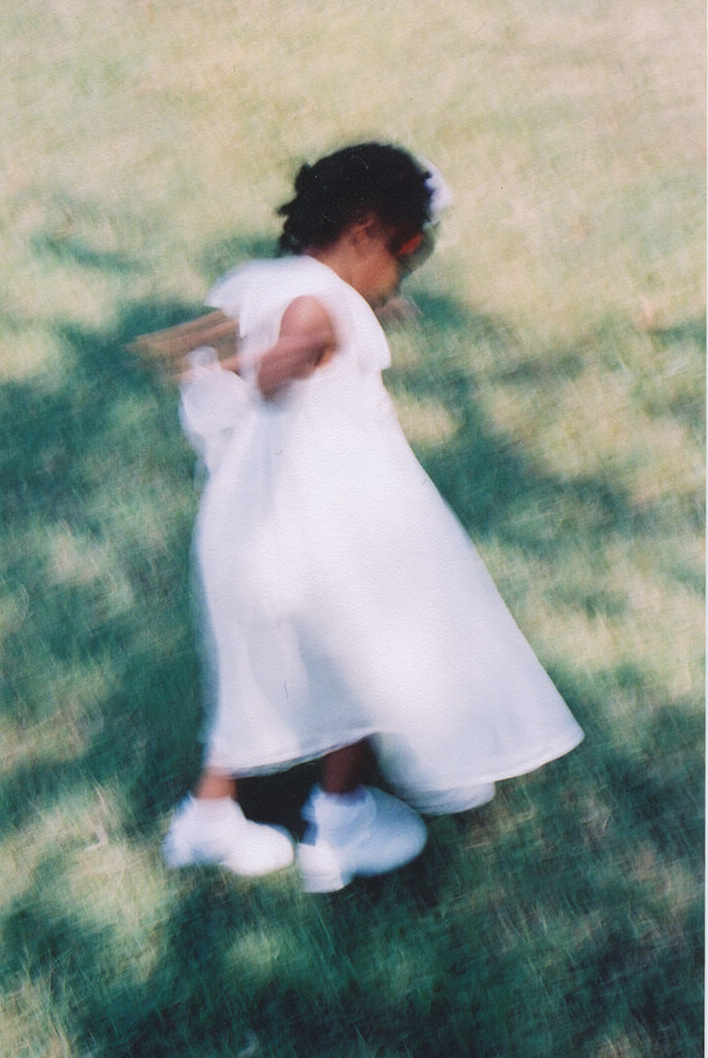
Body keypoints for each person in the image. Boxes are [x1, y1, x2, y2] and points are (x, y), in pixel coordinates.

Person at [162, 142, 583, 892]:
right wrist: (240, 368)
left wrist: (214, 359)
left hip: (259, 524)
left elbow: (272, 339)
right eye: (402, 257)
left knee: (270, 678)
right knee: (367, 664)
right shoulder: (317, 307)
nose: (397, 277)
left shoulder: (278, 281)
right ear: (364, 233)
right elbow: (289, 351)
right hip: (330, 530)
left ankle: (211, 815)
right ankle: (341, 816)